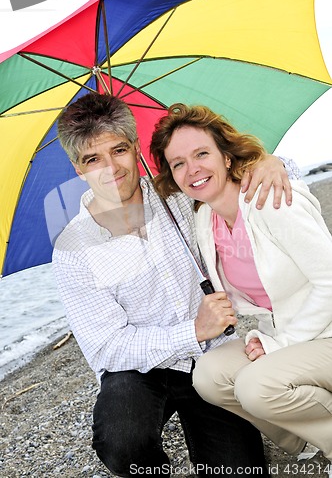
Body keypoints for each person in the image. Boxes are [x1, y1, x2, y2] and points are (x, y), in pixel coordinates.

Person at [53, 92, 294, 477]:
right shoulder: (73, 248)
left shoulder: (179, 195)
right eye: (92, 159)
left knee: (242, 471)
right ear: (77, 168)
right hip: (138, 372)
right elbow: (107, 348)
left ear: (135, 148)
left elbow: (242, 185)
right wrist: (192, 331)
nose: (111, 168)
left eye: (118, 150)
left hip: (210, 359)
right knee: (121, 438)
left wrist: (271, 162)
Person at [149, 102, 332, 467]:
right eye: (178, 163)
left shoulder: (269, 199)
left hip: (326, 333)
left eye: (202, 153)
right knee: (209, 376)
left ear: (226, 157)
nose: (193, 170)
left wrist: (278, 343)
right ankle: (307, 438)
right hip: (288, 334)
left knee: (255, 387)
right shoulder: (205, 220)